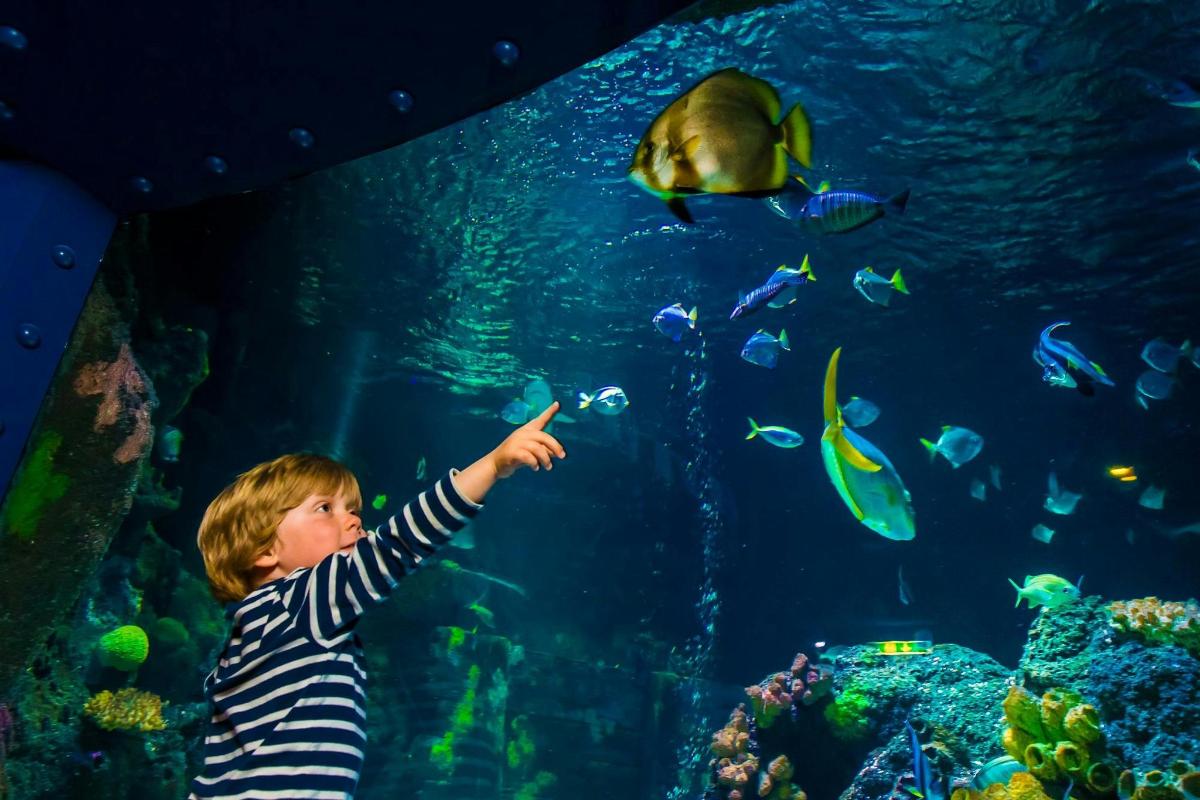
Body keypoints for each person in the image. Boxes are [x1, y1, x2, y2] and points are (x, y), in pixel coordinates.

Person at [189, 402, 566, 799]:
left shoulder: (268, 624)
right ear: (264, 551)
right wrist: (491, 466)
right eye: (325, 509)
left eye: (354, 510)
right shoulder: (294, 604)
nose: (353, 519)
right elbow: (399, 543)